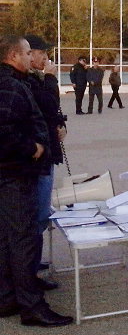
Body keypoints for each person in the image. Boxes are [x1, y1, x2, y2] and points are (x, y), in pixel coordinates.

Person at [0, 35, 73, 326]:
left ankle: (7, 298)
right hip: (14, 174)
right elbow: (3, 130)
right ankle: (31, 306)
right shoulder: (9, 85)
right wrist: (33, 147)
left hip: (14, 173)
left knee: (9, 238)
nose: (33, 58)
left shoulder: (16, 81)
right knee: (22, 239)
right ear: (15, 55)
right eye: (29, 53)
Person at [25, 35, 67, 289]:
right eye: (42, 54)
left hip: (45, 154)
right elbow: (48, 104)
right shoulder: (29, 80)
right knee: (38, 214)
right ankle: (27, 270)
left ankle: (31, 262)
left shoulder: (32, 79)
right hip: (36, 159)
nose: (46, 59)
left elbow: (52, 112)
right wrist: (51, 79)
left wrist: (60, 124)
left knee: (40, 214)